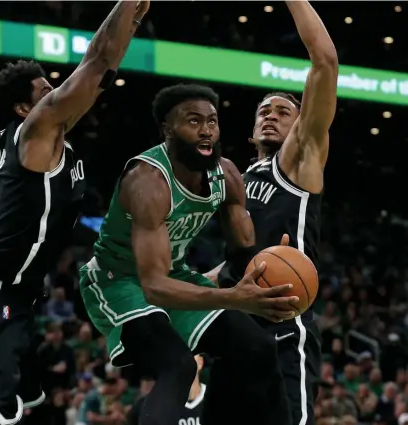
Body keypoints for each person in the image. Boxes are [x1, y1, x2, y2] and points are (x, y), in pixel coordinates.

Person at [0, 2, 150, 425]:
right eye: (46, 91)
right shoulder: (33, 134)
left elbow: (102, 70)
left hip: (19, 297)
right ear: (25, 110)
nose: (59, 92)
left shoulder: (51, 134)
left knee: (35, 402)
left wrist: (132, 19)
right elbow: (94, 61)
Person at [80, 83, 299, 425]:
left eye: (212, 121)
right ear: (168, 129)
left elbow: (244, 250)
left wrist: (270, 264)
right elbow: (153, 287)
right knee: (178, 367)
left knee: (255, 348)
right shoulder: (148, 181)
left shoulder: (226, 175)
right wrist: (232, 296)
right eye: (194, 122)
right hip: (117, 282)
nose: (206, 131)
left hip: (174, 274)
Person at [205, 1, 339, 425]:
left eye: (284, 112)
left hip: (282, 323)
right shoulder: (237, 181)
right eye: (264, 111)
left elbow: (325, 61)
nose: (271, 115)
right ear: (249, 130)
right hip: (234, 328)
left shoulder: (299, 162)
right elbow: (232, 264)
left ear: (302, 126)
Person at [128, 355, 207, 425]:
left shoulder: (216, 400)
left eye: (187, 354)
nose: (181, 361)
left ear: (200, 362)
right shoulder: (150, 406)